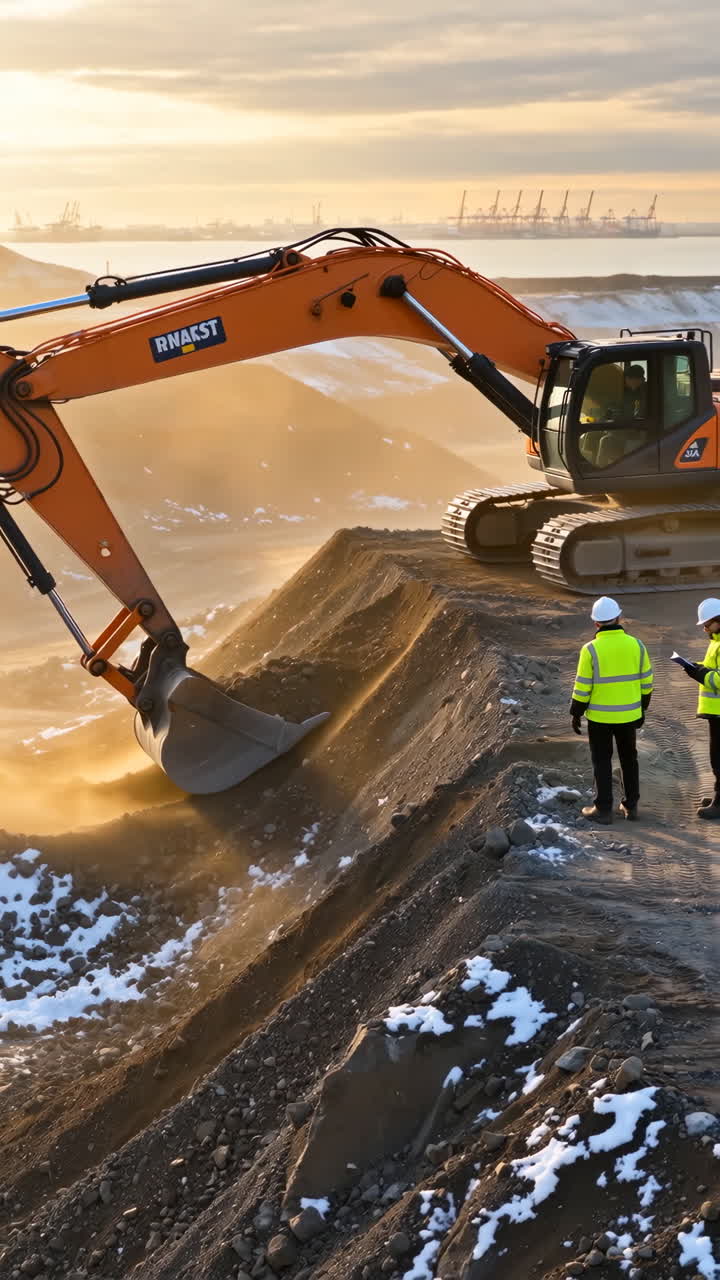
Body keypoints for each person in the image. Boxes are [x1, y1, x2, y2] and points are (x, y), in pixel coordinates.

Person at [570, 596, 653, 824]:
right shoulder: (637, 645)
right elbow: (647, 682)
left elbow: (583, 685)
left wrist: (576, 712)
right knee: (629, 759)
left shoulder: (590, 650)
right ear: (619, 617)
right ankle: (631, 806)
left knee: (602, 761)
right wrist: (641, 709)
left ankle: (604, 810)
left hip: (600, 717)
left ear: (596, 623)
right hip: (628, 715)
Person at [679, 598, 720, 819]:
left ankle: (719, 804)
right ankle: (718, 796)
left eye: (707, 624)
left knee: (719, 758)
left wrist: (700, 674)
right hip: (717, 711)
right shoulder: (716, 640)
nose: (704, 628)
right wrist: (700, 667)